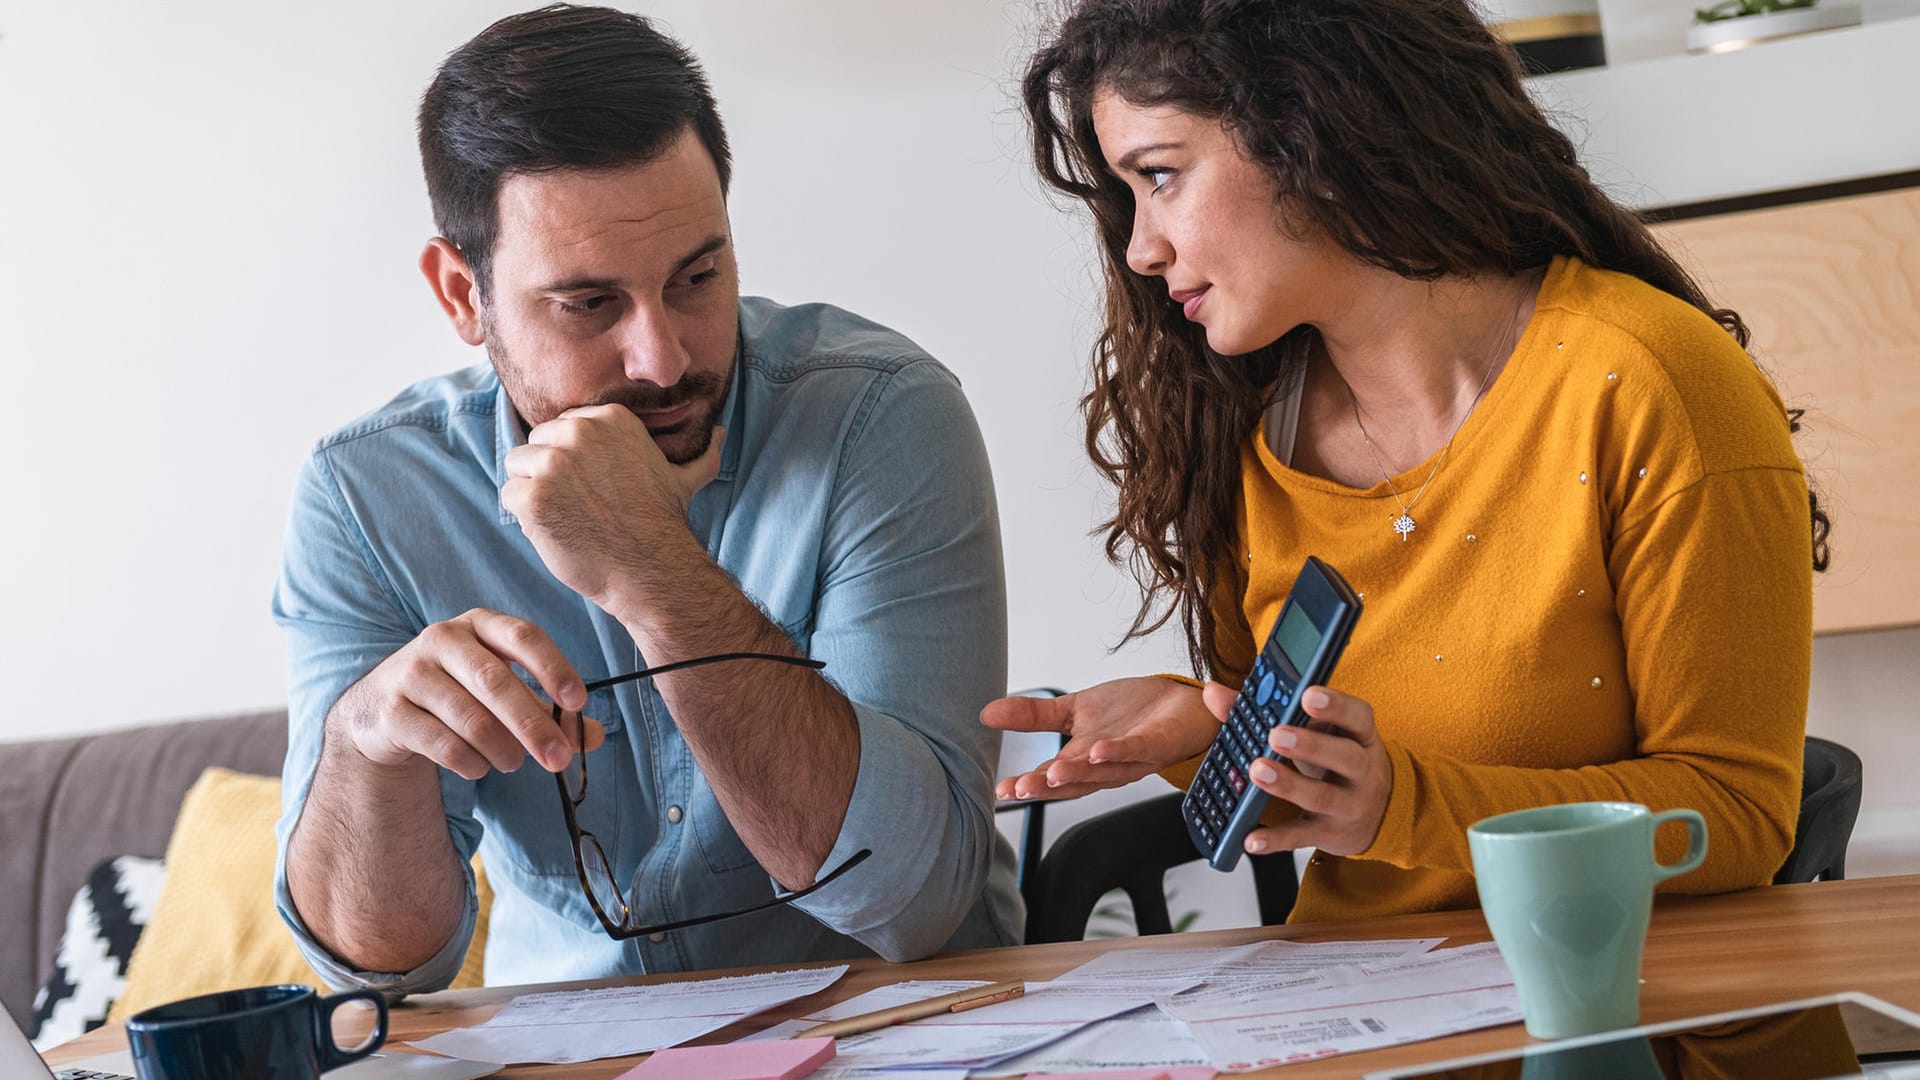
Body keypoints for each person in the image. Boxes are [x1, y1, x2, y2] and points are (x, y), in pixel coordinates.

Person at [986, 0, 1829, 924]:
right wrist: (1211, 725)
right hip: (1364, 1022)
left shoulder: (1649, 386)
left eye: (1161, 176)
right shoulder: (1245, 433)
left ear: (1312, 128)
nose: (1143, 247)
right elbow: (1322, 783)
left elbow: (1739, 815)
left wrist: (1405, 807)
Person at [273, 4, 1019, 997]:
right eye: (589, 304)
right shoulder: (369, 498)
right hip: (571, 1055)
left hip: (906, 1033)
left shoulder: (879, 420)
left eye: (696, 277)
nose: (662, 358)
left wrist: (652, 570)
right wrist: (368, 747)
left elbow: (910, 904)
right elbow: (377, 975)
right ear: (462, 294)